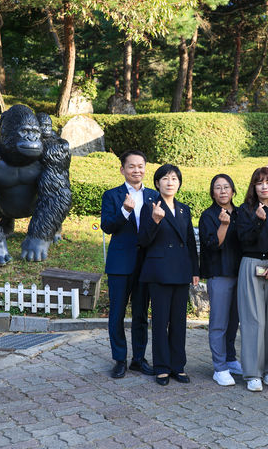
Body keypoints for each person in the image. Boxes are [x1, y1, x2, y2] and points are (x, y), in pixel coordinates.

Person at [138, 164, 200, 386]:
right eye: (165, 178)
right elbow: (143, 240)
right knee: (160, 321)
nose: (170, 182)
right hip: (159, 272)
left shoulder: (184, 209)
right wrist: (155, 220)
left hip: (182, 271)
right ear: (157, 183)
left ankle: (178, 366)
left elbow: (190, 242)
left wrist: (195, 270)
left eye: (174, 178)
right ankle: (162, 367)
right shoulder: (150, 207)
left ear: (179, 183)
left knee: (178, 322)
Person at [101, 150, 158, 379]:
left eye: (141, 166)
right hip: (119, 264)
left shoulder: (154, 195)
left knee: (141, 314)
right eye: (132, 166)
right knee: (116, 314)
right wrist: (125, 210)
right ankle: (119, 359)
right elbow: (107, 226)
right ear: (123, 169)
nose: (137, 170)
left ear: (145, 168)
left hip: (145, 264)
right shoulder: (112, 195)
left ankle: (139, 359)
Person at [236, 167, 268, 392]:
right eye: (260, 182)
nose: (264, 186)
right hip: (250, 265)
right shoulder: (245, 210)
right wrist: (258, 221)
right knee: (253, 321)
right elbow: (242, 240)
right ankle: (252, 373)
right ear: (254, 186)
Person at [199, 174, 243, 386]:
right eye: (218, 187)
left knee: (234, 320)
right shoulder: (208, 215)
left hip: (240, 274)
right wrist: (223, 226)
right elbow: (212, 245)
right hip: (219, 274)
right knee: (219, 322)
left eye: (227, 187)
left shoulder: (242, 213)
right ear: (212, 192)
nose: (223, 191)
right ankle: (219, 367)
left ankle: (231, 358)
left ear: (233, 191)